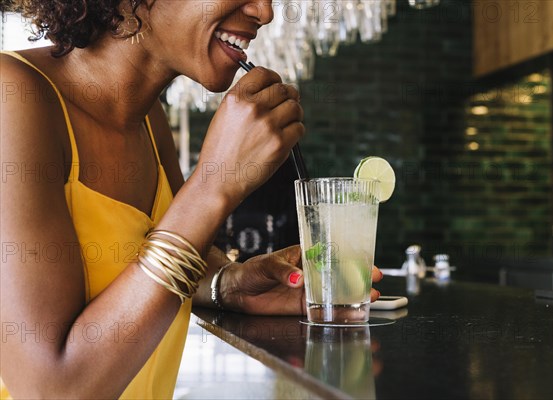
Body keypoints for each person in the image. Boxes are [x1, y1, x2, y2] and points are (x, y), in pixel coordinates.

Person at [0, 1, 383, 398]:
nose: (264, 12)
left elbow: (140, 258)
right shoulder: (12, 96)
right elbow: (51, 388)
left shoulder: (149, 120)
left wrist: (231, 283)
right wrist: (212, 186)